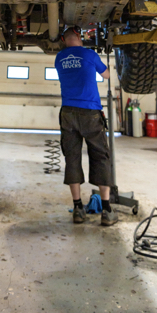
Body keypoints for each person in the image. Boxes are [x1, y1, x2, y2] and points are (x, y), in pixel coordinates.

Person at [54, 26, 118, 227]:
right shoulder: (89, 55)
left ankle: (78, 209)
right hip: (90, 113)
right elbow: (107, 75)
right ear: (79, 36)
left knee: (72, 158)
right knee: (100, 156)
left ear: (64, 40)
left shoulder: (59, 58)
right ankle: (106, 210)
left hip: (68, 113)